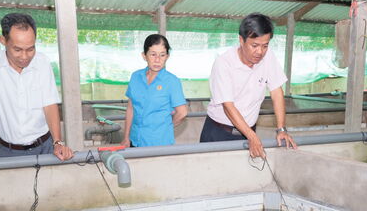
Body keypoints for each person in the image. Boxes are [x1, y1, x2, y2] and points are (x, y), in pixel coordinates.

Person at [0, 13, 73, 165]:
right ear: (3, 41)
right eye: (17, 50)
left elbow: (49, 103)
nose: (25, 56)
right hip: (9, 151)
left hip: (45, 146)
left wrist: (57, 142)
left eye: (30, 49)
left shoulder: (42, 62)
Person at [202, 13, 297, 159]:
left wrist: (281, 129)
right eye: (254, 45)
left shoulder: (268, 56)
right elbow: (228, 106)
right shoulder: (224, 63)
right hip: (219, 132)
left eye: (265, 46)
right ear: (241, 40)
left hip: (248, 132)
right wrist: (252, 137)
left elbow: (277, 91)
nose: (260, 52)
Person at [120, 34, 188, 147]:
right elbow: (131, 108)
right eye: (153, 54)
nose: (157, 60)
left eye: (162, 55)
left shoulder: (171, 81)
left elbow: (182, 113)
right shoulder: (136, 77)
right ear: (144, 55)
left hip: (159, 143)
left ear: (167, 56)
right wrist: (126, 137)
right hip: (135, 139)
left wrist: (166, 127)